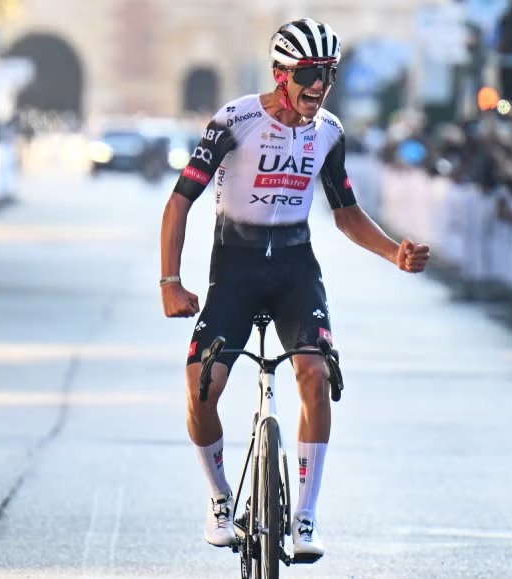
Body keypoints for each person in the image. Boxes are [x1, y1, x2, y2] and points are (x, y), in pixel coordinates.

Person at [159, 18, 430, 559]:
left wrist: (392, 253)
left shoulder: (328, 131)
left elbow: (346, 213)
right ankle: (219, 498)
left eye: (328, 74)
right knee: (201, 387)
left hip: (294, 272)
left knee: (315, 373)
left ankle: (305, 515)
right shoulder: (235, 120)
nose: (319, 86)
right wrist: (171, 282)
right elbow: (179, 201)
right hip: (234, 271)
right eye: (308, 74)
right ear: (280, 74)